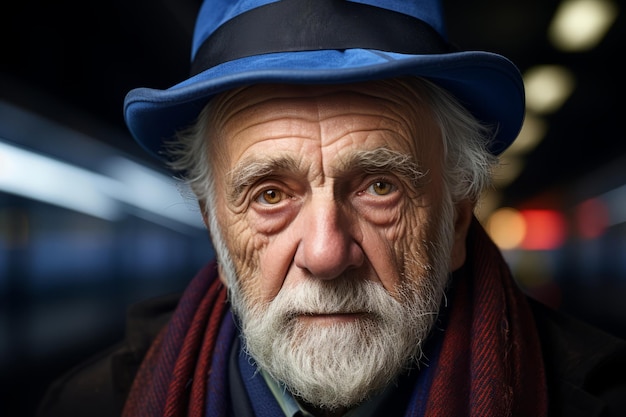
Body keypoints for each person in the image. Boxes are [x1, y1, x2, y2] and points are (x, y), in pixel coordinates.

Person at [38, 0, 626, 416]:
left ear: (456, 217)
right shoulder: (88, 405)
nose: (325, 253)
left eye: (379, 187)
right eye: (270, 195)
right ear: (215, 230)